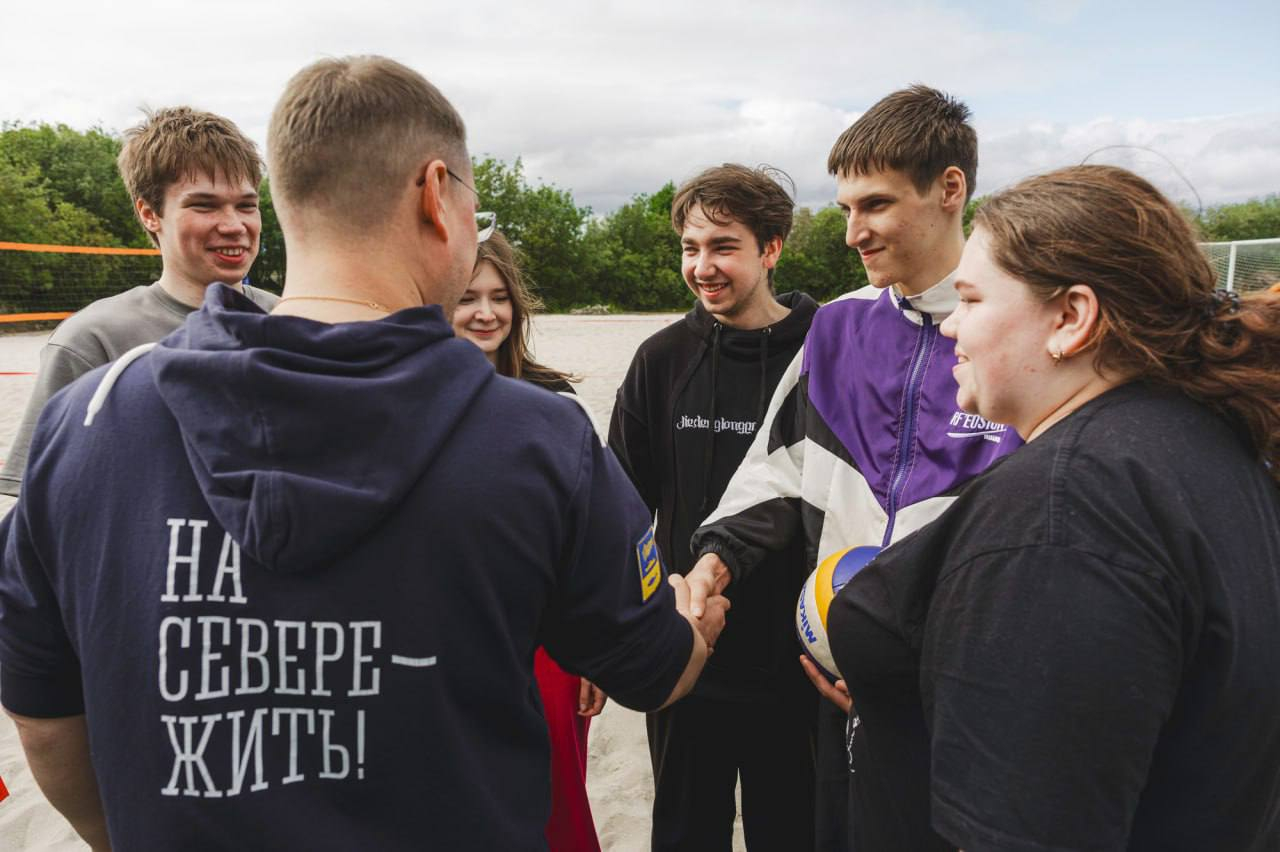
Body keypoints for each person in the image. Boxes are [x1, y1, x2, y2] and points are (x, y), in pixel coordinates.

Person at [0, 55, 728, 851]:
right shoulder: (537, 436)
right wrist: (696, 620)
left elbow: (41, 710)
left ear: (282, 201)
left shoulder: (87, 419)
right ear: (435, 193)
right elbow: (653, 671)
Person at [827, 164, 1280, 851]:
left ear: (1071, 318)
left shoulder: (1063, 514)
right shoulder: (1208, 442)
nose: (952, 328)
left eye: (973, 301)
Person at [684, 86, 1020, 849]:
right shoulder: (838, 326)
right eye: (843, 209)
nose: (851, 233)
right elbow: (774, 468)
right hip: (841, 687)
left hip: (969, 700)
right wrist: (714, 562)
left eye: (873, 205)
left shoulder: (1014, 327)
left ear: (950, 188)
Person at [608, 163, 820, 851]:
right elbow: (622, 509)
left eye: (723, 246)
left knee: (790, 832)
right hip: (686, 654)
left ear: (772, 248)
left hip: (797, 665)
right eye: (690, 248)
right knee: (684, 834)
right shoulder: (661, 359)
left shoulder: (825, 354)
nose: (703, 266)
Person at [0, 106, 278, 497]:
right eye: (205, 205)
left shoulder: (290, 321)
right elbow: (44, 510)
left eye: (246, 205)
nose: (234, 225)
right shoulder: (92, 340)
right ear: (149, 213)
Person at [451, 230, 606, 852]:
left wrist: (594, 650)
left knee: (554, 803)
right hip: (452, 639)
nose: (486, 313)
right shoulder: (410, 400)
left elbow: (591, 541)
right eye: (467, 298)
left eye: (499, 297)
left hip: (547, 642)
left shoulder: (553, 403)